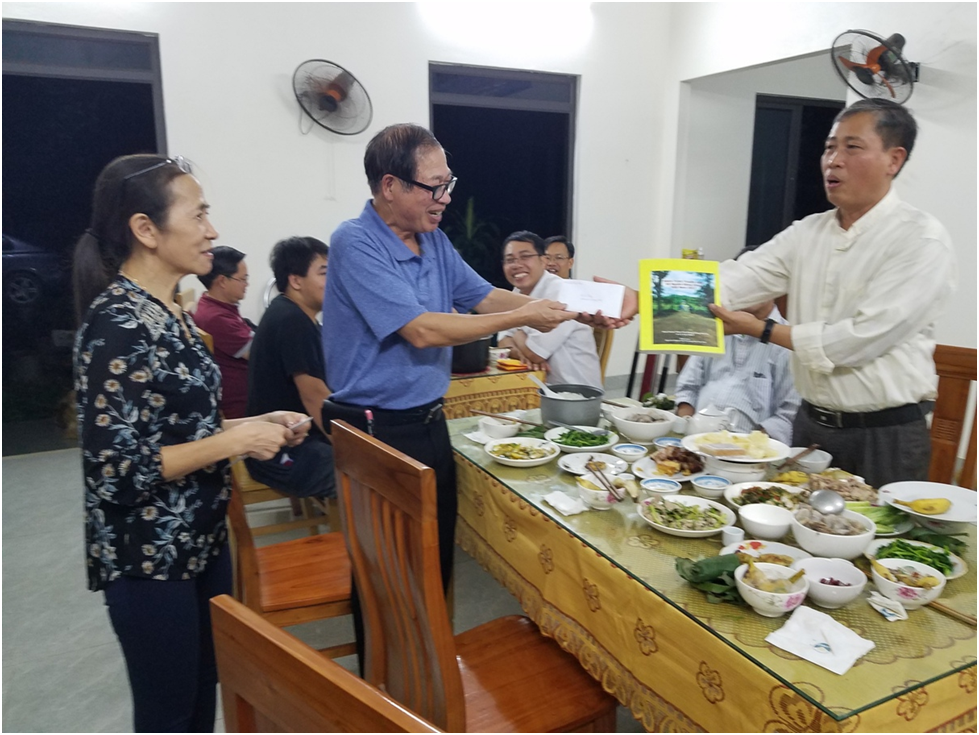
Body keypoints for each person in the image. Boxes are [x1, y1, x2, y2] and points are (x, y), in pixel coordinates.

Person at [72, 154, 310, 733]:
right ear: (146, 229)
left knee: (203, 698)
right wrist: (236, 440)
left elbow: (184, 429)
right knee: (170, 715)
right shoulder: (117, 324)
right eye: (198, 215)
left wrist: (258, 423)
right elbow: (116, 471)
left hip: (199, 542)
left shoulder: (170, 313)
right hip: (150, 558)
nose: (212, 230)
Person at [605, 99, 956, 487]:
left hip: (883, 434)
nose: (833, 161)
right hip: (811, 425)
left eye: (852, 147)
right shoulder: (808, 232)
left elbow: (859, 339)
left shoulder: (919, 239)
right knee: (793, 520)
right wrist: (642, 298)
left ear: (894, 159)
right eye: (829, 148)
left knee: (877, 526)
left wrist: (762, 330)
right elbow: (737, 277)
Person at [321, 123, 578, 596]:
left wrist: (574, 309)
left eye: (448, 184)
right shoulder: (355, 241)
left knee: (434, 557)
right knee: (385, 571)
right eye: (433, 186)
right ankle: (385, 650)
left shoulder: (432, 239)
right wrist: (524, 316)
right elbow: (421, 329)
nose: (445, 197)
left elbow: (484, 297)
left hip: (428, 420)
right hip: (375, 429)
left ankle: (432, 646)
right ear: (390, 186)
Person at [246, 236, 335, 499]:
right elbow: (314, 396)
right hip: (280, 451)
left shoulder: (293, 313)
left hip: (297, 440)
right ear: (296, 280)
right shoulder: (292, 321)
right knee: (374, 474)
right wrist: (355, 448)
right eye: (325, 273)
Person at [674, 299, 800, 445]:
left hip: (749, 447)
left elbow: (788, 416)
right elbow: (687, 388)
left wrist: (746, 445)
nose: (750, 292)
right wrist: (687, 426)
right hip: (695, 439)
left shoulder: (788, 342)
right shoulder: (716, 328)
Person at [497, 231, 602, 388]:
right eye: (510, 260)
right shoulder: (518, 290)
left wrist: (517, 332)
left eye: (525, 257)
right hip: (538, 387)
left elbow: (535, 354)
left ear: (543, 260)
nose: (517, 265)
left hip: (575, 392)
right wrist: (521, 353)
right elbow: (502, 341)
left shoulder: (564, 292)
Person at [193, 245, 254, 418]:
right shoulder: (217, 319)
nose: (247, 284)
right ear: (222, 281)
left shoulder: (209, 304)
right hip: (242, 404)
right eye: (243, 279)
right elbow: (261, 354)